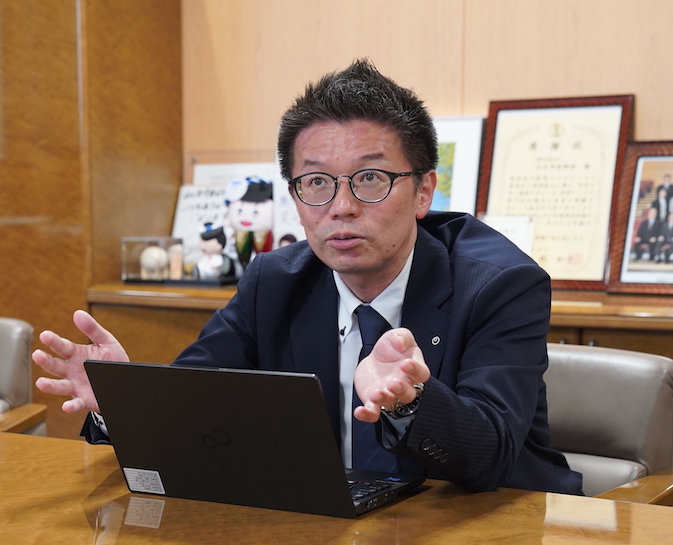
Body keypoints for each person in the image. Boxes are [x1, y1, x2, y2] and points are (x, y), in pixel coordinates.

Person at [34, 59, 583, 495]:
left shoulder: (500, 284)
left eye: (370, 178)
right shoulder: (275, 281)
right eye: (317, 182)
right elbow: (195, 407)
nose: (341, 206)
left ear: (423, 191)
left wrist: (410, 401)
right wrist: (125, 403)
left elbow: (490, 457)